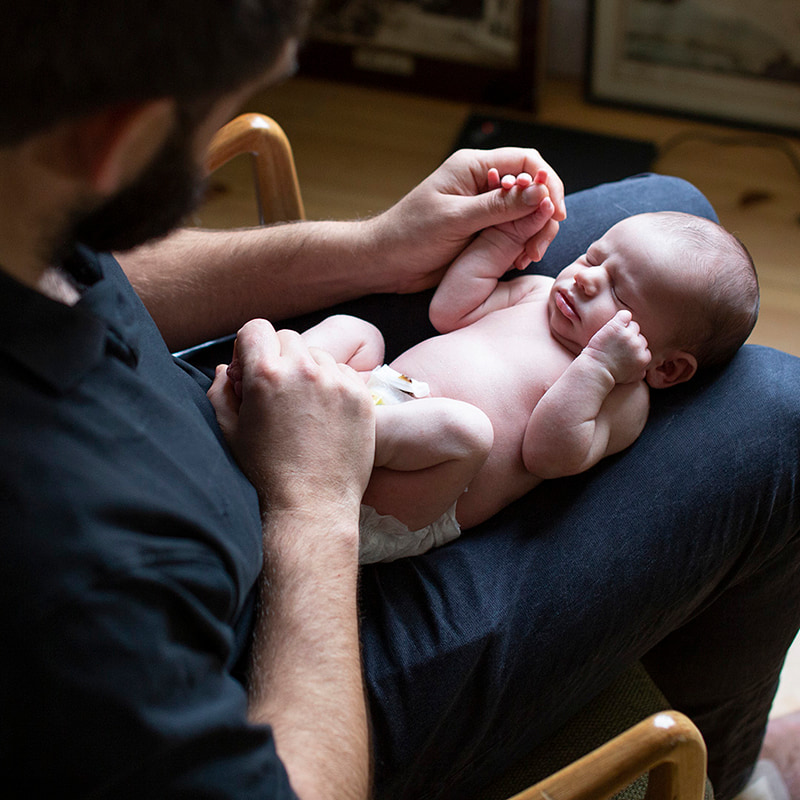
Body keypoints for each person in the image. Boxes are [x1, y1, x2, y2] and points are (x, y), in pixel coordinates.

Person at [1, 3, 798, 800]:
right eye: (228, 101)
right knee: (780, 415)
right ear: (111, 138)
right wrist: (311, 499)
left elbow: (100, 264)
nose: (581, 272)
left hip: (261, 420)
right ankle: (730, 779)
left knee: (673, 205)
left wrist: (376, 248)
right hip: (285, 628)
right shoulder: (80, 577)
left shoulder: (27, 196)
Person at [277, 197, 758, 562]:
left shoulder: (623, 396)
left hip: (411, 495)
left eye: (619, 293)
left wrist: (596, 367)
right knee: (357, 333)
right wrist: (501, 243)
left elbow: (549, 455)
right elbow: (451, 312)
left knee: (465, 430)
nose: (586, 279)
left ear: (666, 366)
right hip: (375, 400)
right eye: (593, 259)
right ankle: (276, 380)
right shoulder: (540, 292)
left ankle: (303, 427)